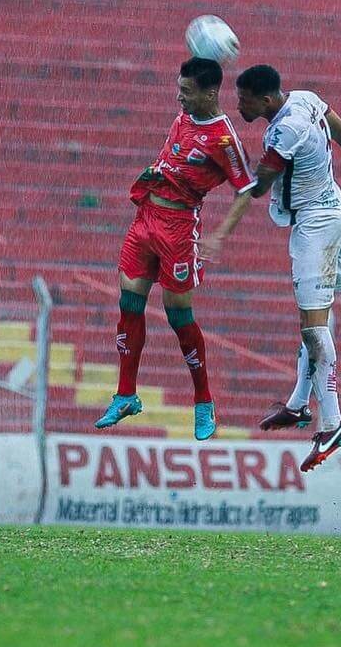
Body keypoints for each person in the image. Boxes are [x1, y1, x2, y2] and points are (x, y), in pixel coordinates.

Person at [202, 64, 341, 472]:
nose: (238, 105)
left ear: (265, 100)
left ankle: (332, 422)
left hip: (314, 227)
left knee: (314, 330)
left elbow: (259, 185)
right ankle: (299, 405)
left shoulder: (284, 131)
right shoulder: (307, 99)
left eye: (243, 99)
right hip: (335, 214)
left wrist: (221, 155)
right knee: (317, 319)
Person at [96, 56, 256, 441]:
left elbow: (247, 189)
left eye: (186, 92)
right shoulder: (181, 119)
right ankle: (126, 394)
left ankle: (203, 401)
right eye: (179, 90)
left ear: (210, 93)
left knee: (177, 314)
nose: (179, 98)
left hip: (179, 228)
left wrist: (219, 235)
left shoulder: (223, 138)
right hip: (146, 218)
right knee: (129, 303)